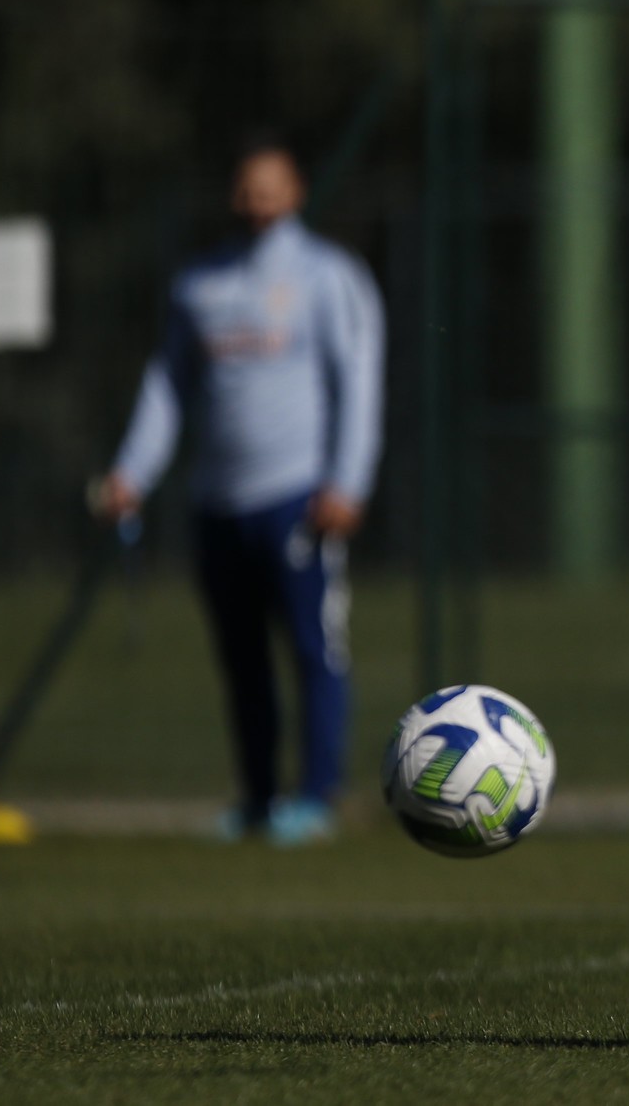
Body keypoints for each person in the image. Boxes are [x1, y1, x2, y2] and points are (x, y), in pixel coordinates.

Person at [96, 134, 385, 846]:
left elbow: (358, 382)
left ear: (296, 192)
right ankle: (257, 798)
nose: (258, 202)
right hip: (219, 502)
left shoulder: (328, 276)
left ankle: (316, 796)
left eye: (270, 188)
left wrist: (346, 482)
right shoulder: (200, 283)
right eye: (247, 188)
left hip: (298, 497)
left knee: (314, 649)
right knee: (241, 659)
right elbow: (167, 385)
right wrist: (133, 472)